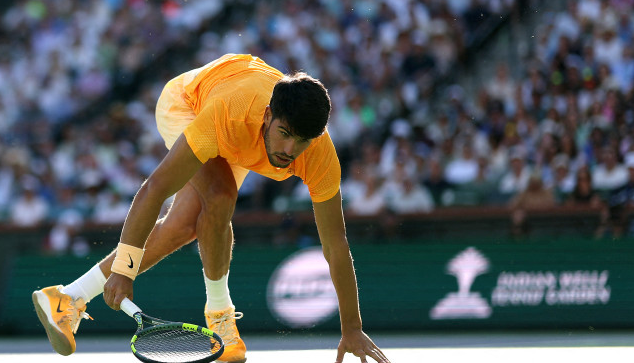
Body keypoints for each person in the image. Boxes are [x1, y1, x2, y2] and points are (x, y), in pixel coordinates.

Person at [32, 54, 389, 363]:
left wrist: (352, 328)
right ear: (268, 116)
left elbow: (335, 245)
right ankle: (220, 316)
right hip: (188, 103)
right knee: (219, 196)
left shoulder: (319, 155)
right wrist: (124, 270)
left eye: (302, 141)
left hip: (239, 123)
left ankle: (67, 297)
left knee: (183, 227)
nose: (290, 151)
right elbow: (154, 189)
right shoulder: (227, 116)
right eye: (284, 133)